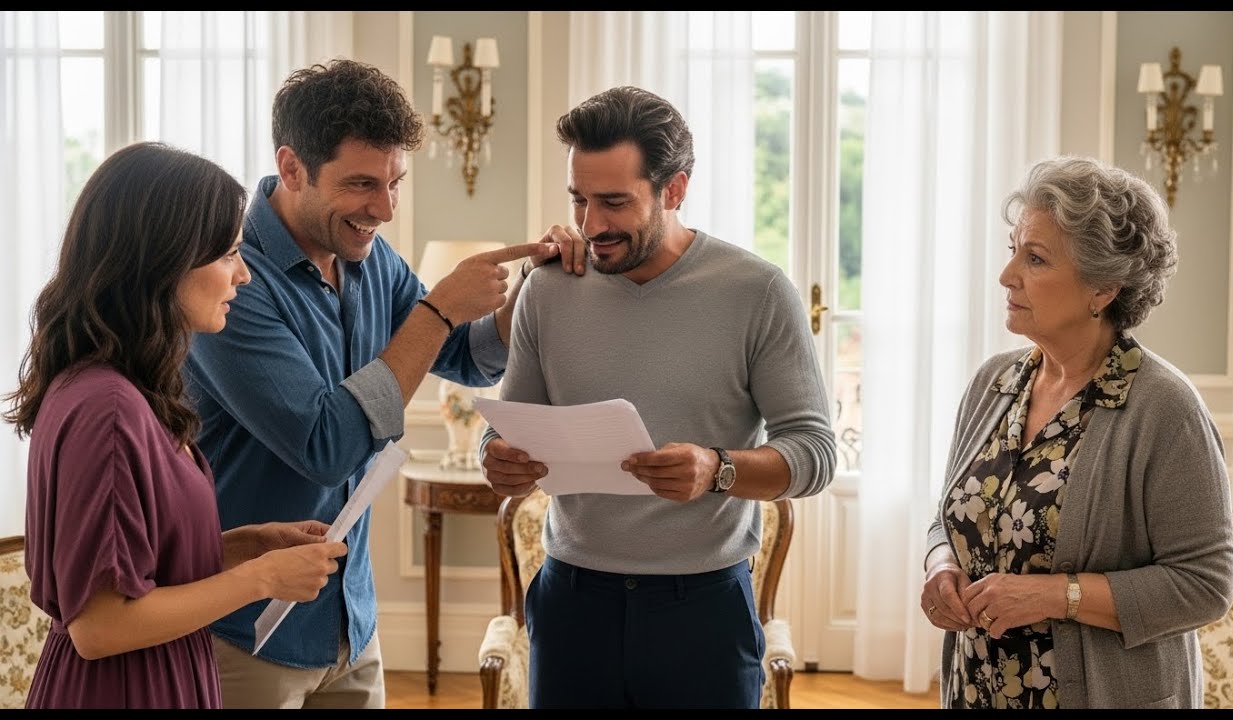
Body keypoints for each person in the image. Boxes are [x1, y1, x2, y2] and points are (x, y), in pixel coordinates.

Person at [181, 59, 585, 709]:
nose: (386, 208)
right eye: (363, 184)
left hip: (349, 623)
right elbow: (325, 444)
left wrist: (532, 291)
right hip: (244, 635)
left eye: (395, 182)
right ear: (291, 168)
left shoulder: (369, 258)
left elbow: (461, 354)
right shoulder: (228, 280)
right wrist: (438, 308)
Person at [478, 85, 837, 709]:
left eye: (614, 202)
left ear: (675, 190)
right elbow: (512, 424)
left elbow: (816, 453)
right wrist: (497, 455)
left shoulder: (757, 292)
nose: (591, 226)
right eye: (579, 200)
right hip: (571, 604)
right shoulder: (545, 290)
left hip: (703, 610)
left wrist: (717, 469)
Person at [3, 142, 349, 709]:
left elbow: (131, 565)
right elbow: (101, 626)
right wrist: (261, 579)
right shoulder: (106, 410)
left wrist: (241, 547)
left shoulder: (126, 391)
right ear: (163, 261)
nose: (243, 275)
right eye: (229, 255)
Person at [919, 156, 1233, 709]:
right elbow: (948, 518)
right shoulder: (992, 383)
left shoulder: (1164, 407)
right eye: (1013, 249)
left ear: (1103, 289)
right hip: (976, 690)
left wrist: (1053, 596)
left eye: (1035, 258)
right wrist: (942, 565)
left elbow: (1205, 585)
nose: (1007, 274)